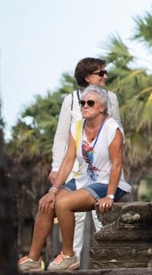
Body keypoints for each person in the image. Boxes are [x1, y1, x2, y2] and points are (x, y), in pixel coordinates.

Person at [18, 85, 131, 272]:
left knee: (63, 203)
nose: (84, 106)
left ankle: (69, 256)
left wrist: (110, 196)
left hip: (108, 182)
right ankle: (34, 259)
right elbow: (68, 160)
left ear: (102, 107)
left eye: (90, 103)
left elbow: (117, 164)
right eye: (82, 103)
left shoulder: (113, 129)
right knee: (48, 203)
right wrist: (53, 190)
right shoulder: (77, 127)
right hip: (84, 178)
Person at [50, 57, 122, 266]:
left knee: (104, 217)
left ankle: (108, 265)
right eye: (100, 73)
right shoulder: (71, 100)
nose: (105, 76)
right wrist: (56, 168)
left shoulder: (111, 98)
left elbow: (117, 132)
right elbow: (62, 137)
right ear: (86, 77)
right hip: (76, 171)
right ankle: (71, 262)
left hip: (104, 172)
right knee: (74, 220)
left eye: (104, 72)